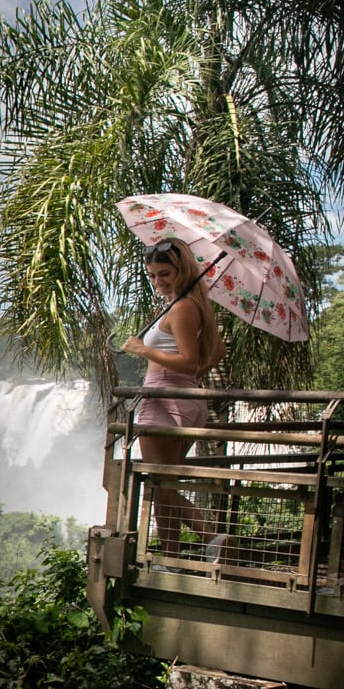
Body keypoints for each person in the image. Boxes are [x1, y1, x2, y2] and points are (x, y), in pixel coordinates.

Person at [120, 236, 225, 556]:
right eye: (151, 275)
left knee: (158, 483)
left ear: (182, 269)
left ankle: (211, 539)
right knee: (165, 484)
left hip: (164, 401)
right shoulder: (192, 305)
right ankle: (172, 557)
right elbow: (217, 352)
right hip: (185, 399)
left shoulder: (182, 308)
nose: (157, 281)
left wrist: (144, 349)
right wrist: (186, 379)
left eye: (165, 273)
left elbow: (190, 360)